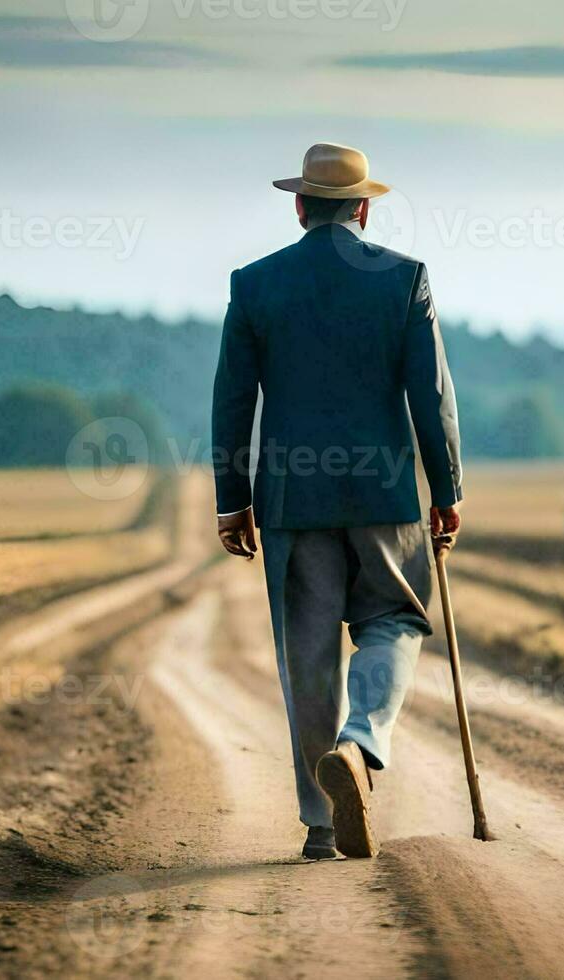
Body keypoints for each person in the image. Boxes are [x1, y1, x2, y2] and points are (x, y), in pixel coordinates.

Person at [210, 142, 464, 861]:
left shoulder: (254, 284)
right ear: (363, 207)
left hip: (292, 501)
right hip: (385, 496)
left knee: (308, 658)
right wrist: (446, 493)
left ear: (299, 208)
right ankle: (361, 743)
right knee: (395, 623)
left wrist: (233, 501)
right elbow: (432, 397)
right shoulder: (406, 279)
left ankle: (321, 824)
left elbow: (233, 400)